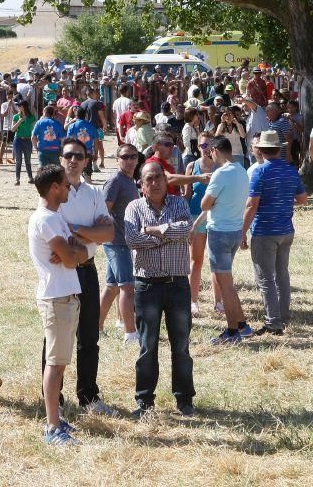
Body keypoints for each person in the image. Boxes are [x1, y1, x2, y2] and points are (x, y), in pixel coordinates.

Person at [44, 137, 118, 416]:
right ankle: (54, 400)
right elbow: (53, 239)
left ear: (87, 161)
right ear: (61, 160)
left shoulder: (93, 193)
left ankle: (88, 396)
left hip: (87, 271)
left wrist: (74, 231)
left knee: (89, 337)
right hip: (62, 272)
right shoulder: (51, 192)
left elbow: (109, 233)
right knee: (55, 340)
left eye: (78, 156)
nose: (73, 160)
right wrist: (88, 232)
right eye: (68, 155)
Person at [124, 161, 195, 418]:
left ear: (167, 182)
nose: (154, 183)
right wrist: (168, 234)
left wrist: (154, 231)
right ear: (141, 185)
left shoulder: (179, 204)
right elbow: (132, 238)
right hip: (147, 286)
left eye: (158, 178)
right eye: (148, 180)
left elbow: (187, 228)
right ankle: (144, 401)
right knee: (147, 345)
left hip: (177, 283)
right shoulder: (133, 208)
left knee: (181, 345)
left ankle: (185, 400)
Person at [29, 164, 88, 446]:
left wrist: (73, 251)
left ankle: (56, 420)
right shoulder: (48, 220)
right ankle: (52, 427)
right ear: (54, 187)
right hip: (57, 297)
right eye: (65, 185)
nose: (69, 188)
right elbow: (71, 256)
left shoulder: (55, 217)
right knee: (54, 364)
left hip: (64, 296)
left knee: (60, 362)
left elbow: (76, 250)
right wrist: (73, 253)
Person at [241, 131, 307, 335]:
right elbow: (303, 198)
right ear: (279, 149)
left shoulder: (260, 172)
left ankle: (273, 322)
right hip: (286, 230)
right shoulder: (290, 170)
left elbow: (252, 205)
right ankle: (283, 317)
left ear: (260, 150)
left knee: (266, 278)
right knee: (282, 275)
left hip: (264, 231)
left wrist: (242, 231)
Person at [195, 136, 252, 344]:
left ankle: (231, 331)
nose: (209, 154)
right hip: (235, 231)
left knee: (224, 284)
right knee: (227, 282)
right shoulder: (242, 170)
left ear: (216, 150)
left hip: (220, 232)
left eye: (210, 150)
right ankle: (242, 325)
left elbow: (204, 204)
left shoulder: (220, 174)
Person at [98, 143, 141, 344]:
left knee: (112, 287)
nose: (130, 160)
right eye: (125, 157)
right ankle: (131, 334)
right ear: (117, 160)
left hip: (124, 241)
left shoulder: (130, 180)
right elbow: (103, 210)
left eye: (133, 156)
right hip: (117, 242)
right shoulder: (115, 181)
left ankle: (95, 327)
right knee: (127, 287)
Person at [184, 132, 218, 317]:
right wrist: (185, 219)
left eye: (210, 145)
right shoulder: (192, 166)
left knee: (217, 262)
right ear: (198, 147)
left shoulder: (220, 167)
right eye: (203, 145)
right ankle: (192, 301)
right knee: (196, 261)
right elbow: (187, 194)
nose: (206, 149)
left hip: (214, 217)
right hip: (195, 216)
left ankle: (218, 302)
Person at [12, 101, 36, 186]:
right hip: (18, 140)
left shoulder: (31, 117)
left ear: (24, 106)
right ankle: (17, 179)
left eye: (20, 105)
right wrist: (20, 121)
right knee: (18, 160)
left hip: (27, 140)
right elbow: (13, 129)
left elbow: (33, 129)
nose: (18, 107)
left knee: (27, 160)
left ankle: (30, 178)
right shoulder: (15, 117)